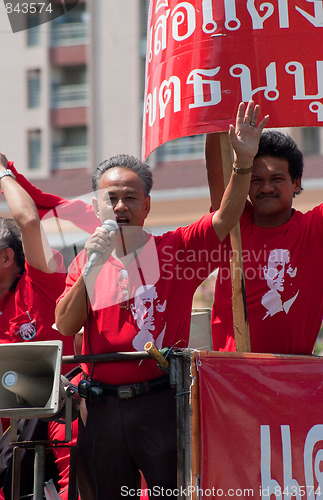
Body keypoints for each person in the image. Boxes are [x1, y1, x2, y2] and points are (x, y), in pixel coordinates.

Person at [55, 101, 269, 499]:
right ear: (97, 206)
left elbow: (225, 218)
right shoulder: (86, 260)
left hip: (160, 405)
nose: (120, 206)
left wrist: (243, 163)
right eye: (111, 198)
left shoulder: (176, 249)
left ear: (147, 205)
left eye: (131, 198)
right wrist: (92, 268)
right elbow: (66, 326)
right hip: (100, 411)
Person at [206, 127, 323, 354]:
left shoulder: (314, 230)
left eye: (277, 179)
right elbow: (216, 171)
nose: (266, 187)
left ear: (296, 183)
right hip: (230, 378)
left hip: (295, 379)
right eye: (256, 180)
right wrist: (216, 118)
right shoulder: (232, 223)